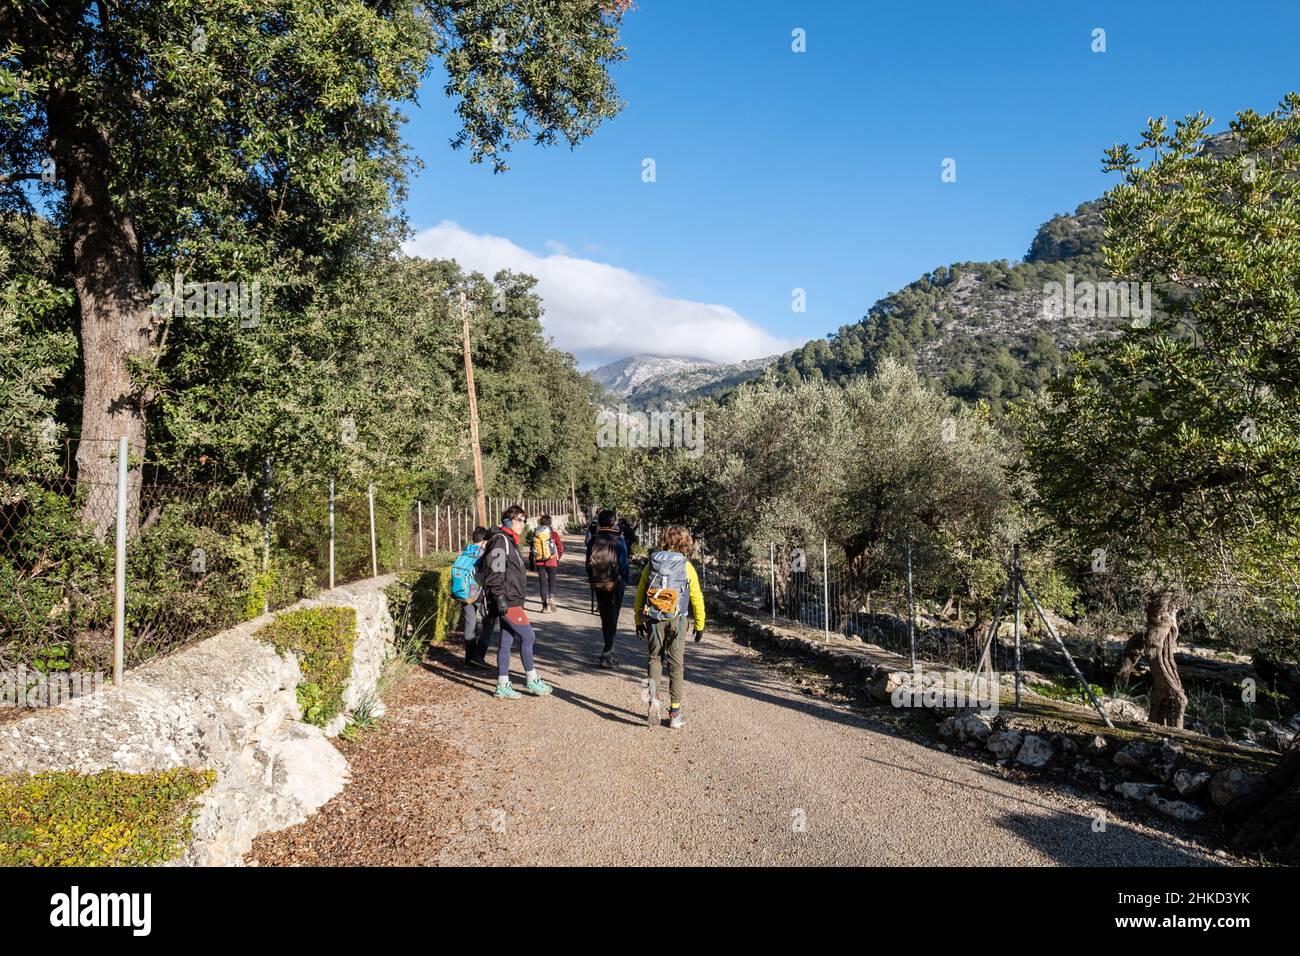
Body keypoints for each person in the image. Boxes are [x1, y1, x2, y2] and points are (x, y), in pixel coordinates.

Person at [633, 525, 706, 729]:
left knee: (654, 659)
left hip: (654, 619)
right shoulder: (686, 566)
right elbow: (696, 597)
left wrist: (639, 620)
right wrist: (700, 624)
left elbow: (640, 593)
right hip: (678, 619)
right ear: (685, 543)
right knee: (676, 665)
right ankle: (675, 714)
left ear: (664, 540)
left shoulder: (652, 563)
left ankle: (652, 700)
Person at [480, 505, 553, 700]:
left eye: (524, 520)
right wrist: (500, 598)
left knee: (506, 642)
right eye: (519, 519)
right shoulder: (501, 541)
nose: (523, 523)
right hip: (508, 600)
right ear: (508, 521)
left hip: (511, 599)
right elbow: (495, 573)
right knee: (528, 637)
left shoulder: (509, 541)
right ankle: (532, 679)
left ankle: (502, 684)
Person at [585, 509, 629, 668]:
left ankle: (607, 649)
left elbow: (587, 564)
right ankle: (608, 653)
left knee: (605, 617)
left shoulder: (593, 540)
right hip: (615, 583)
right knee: (613, 617)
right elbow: (624, 564)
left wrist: (593, 579)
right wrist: (626, 580)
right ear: (613, 522)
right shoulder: (619, 540)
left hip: (599, 582)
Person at [455, 526, 496, 668]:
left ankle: (468, 660)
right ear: (485, 539)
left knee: (470, 624)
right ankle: (478, 656)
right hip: (478, 593)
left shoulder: (466, 551)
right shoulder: (484, 553)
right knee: (489, 622)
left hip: (464, 592)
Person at [529, 514, 564, 612]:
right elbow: (560, 548)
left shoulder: (535, 534)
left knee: (543, 584)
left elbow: (532, 549)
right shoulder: (554, 534)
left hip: (540, 563)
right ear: (550, 523)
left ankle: (544, 606)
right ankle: (552, 599)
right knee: (552, 582)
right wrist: (557, 557)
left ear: (540, 523)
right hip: (552, 561)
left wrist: (532, 562)